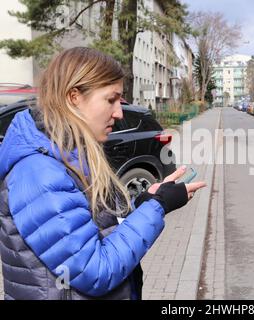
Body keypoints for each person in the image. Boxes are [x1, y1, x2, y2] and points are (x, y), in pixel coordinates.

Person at [0, 47, 206, 300]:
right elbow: (95, 271)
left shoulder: (70, 155)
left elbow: (93, 228)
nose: (119, 113)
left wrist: (144, 203)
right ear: (74, 96)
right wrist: (158, 208)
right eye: (111, 100)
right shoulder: (39, 173)